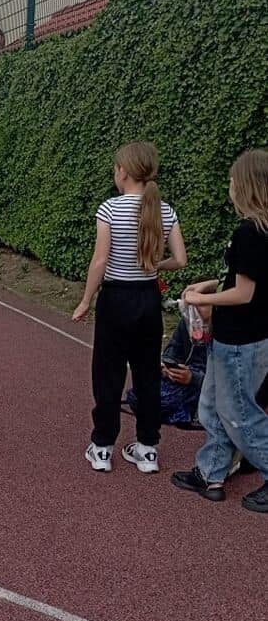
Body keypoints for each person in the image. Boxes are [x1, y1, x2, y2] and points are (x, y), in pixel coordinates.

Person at [72, 141, 187, 473]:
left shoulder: (109, 209)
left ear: (122, 171)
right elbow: (180, 260)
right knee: (147, 373)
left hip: (115, 298)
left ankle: (102, 447)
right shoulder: (165, 210)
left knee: (108, 373)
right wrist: (153, 266)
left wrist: (85, 300)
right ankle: (148, 448)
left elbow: (100, 261)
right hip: (147, 299)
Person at [172, 149, 268, 513]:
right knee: (211, 406)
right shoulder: (257, 230)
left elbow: (244, 293)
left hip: (241, 340)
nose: (228, 186)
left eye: (231, 180)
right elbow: (244, 279)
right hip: (234, 337)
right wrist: (210, 284)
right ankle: (210, 472)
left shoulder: (250, 232)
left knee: (240, 414)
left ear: (245, 185)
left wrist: (201, 298)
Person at [126, 304, 210, 427]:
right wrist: (168, 368)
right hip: (183, 378)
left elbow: (226, 380)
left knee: (162, 403)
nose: (195, 310)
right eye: (193, 306)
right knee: (140, 395)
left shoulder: (226, 334)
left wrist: (193, 378)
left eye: (201, 305)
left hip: (207, 385)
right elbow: (173, 350)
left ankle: (198, 412)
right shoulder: (189, 321)